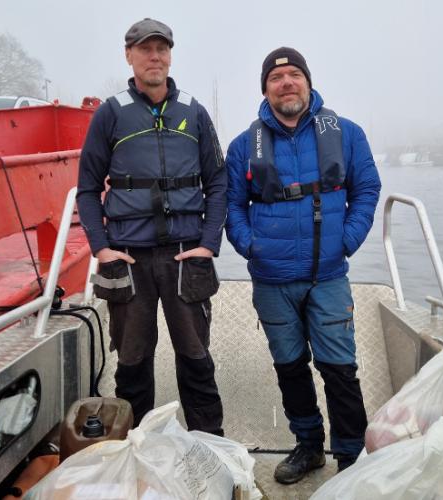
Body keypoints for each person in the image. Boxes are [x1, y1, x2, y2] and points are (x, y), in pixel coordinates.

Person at [224, 47, 381, 483]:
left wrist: (346, 240)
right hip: (271, 278)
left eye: (294, 74)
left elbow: (367, 189)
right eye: (277, 78)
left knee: (339, 369)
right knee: (290, 368)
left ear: (308, 82)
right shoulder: (243, 146)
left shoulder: (347, 134)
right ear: (265, 90)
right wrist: (250, 245)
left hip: (328, 274)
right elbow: (231, 205)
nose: (287, 83)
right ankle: (308, 446)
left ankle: (351, 456)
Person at [77, 18, 227, 435]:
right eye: (145, 49)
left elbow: (218, 181)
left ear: (170, 55)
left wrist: (209, 243)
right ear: (129, 56)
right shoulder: (110, 115)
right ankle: (133, 451)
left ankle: (210, 449)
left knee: (197, 361)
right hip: (129, 260)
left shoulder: (194, 113)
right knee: (132, 363)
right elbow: (86, 189)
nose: (154, 56)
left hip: (186, 257)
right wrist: (101, 248)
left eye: (161, 48)